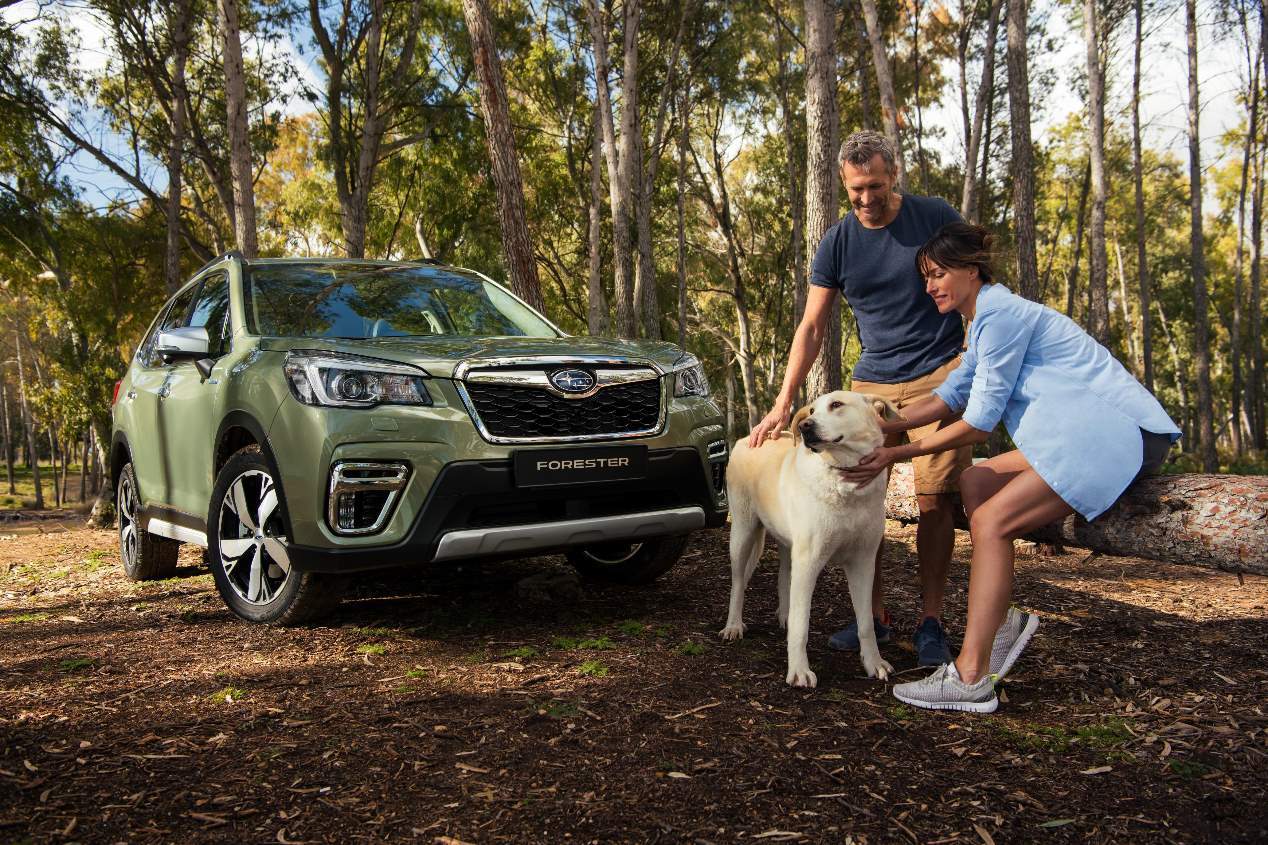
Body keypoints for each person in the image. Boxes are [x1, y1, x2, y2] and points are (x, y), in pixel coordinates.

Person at [840, 222, 1180, 713]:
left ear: (971, 270)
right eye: (926, 277)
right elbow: (952, 394)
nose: (930, 286)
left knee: (991, 521)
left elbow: (978, 422)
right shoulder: (983, 321)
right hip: (1081, 432)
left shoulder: (1000, 316)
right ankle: (1001, 626)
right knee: (975, 479)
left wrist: (896, 454)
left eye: (938, 274)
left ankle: (973, 675)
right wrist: (881, 425)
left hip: (1117, 434)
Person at [748, 130, 969, 666]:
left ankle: (931, 620)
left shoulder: (933, 215)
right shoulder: (839, 241)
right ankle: (874, 618)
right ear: (844, 186)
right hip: (871, 382)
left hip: (939, 374)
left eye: (874, 186)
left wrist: (972, 357)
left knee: (935, 498)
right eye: (855, 191)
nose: (866, 199)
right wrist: (784, 402)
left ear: (893, 175)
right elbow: (813, 326)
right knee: (859, 491)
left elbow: (970, 282)